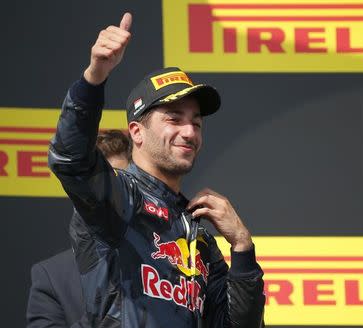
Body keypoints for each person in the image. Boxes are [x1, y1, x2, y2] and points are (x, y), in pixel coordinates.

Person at [47, 12, 265, 328]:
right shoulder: (120, 199)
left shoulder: (199, 234)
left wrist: (243, 247)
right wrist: (94, 78)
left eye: (196, 122)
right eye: (174, 119)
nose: (189, 132)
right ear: (136, 132)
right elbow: (70, 160)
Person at [26, 130, 131, 328]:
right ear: (76, 191)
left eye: (117, 182)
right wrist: (113, 310)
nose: (108, 194)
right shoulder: (51, 277)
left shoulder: (165, 262)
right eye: (96, 185)